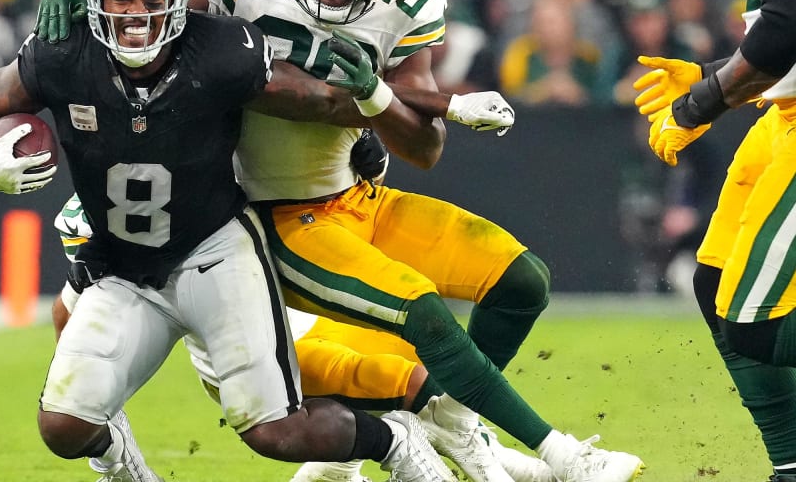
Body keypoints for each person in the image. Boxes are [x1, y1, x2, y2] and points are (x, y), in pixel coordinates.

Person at [35, 0, 644, 482]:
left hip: (355, 196)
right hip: (276, 213)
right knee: (414, 329)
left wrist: (383, 99)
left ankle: (455, 422)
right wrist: (80, 0)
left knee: (522, 281)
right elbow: (159, 35)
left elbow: (424, 150)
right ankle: (562, 454)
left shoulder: (402, 10)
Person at [0, 0, 477, 482]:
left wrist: (439, 107)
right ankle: (124, 467)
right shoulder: (63, 52)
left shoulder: (223, 49)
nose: (137, 14)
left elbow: (318, 100)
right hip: (124, 267)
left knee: (276, 432)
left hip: (215, 253)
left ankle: (393, 441)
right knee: (64, 427)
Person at [52, 188, 557, 482]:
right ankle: (437, 450)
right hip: (270, 356)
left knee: (437, 376)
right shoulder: (103, 277)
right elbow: (73, 333)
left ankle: (481, 451)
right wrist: (116, 457)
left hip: (322, 319)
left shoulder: (219, 201)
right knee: (412, 388)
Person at [631, 0, 796, 480]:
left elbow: (785, 28)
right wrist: (710, 74)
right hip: (783, 110)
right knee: (716, 283)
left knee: (757, 322)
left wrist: (697, 104)